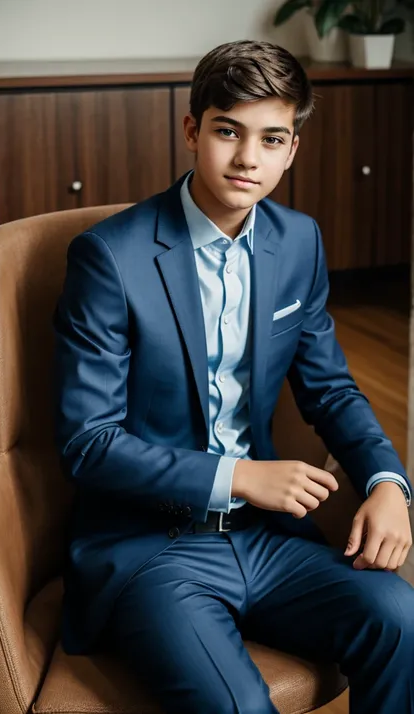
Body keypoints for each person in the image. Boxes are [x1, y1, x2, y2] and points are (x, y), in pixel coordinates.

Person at [53, 40, 414, 714]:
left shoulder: (298, 241)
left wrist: (388, 481)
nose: (249, 158)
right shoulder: (109, 258)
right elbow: (88, 443)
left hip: (263, 538)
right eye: (228, 131)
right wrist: (241, 476)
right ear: (193, 130)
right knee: (238, 706)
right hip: (149, 548)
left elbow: (330, 389)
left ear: (292, 150)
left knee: (404, 624)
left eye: (272, 139)